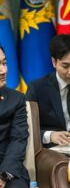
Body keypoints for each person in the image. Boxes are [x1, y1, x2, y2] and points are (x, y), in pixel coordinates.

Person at [0, 45, 29, 188]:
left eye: (4, 63)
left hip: (7, 167)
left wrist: (4, 175)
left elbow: (18, 139)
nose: (3, 71)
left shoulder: (16, 99)